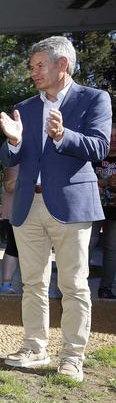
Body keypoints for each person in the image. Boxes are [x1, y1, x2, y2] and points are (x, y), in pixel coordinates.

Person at [0, 36, 111, 382]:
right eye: (31, 67)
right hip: (28, 205)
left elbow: (100, 147)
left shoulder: (94, 99)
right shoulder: (26, 107)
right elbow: (9, 157)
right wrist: (14, 141)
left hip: (71, 206)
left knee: (73, 285)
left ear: (62, 64)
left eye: (39, 65)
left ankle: (72, 356)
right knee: (32, 282)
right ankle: (34, 347)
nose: (33, 72)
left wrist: (64, 136)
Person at [93, 126, 116, 299]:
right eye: (111, 136)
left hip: (114, 213)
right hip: (92, 209)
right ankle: (79, 286)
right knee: (86, 246)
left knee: (111, 249)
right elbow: (85, 182)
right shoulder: (95, 155)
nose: (113, 139)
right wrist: (106, 181)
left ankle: (106, 288)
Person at [0, 165, 20, 294]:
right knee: (13, 247)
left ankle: (38, 287)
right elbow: (9, 186)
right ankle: (6, 284)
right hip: (15, 209)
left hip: (38, 211)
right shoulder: (14, 157)